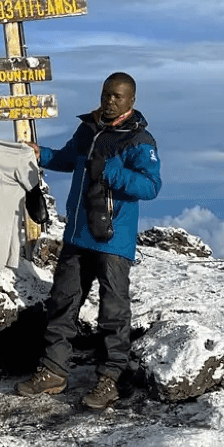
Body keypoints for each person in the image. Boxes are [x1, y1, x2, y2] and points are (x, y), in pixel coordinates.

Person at [15, 71, 161, 410]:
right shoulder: (89, 129)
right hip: (78, 234)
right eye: (106, 93)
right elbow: (69, 159)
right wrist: (41, 154)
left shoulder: (140, 140)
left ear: (131, 101)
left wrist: (109, 171)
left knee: (113, 311)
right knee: (63, 302)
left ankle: (109, 379)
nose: (109, 100)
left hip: (113, 241)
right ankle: (53, 371)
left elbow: (151, 187)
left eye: (117, 96)